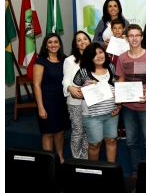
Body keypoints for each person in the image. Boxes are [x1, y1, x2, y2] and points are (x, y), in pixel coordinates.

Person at [115, 24, 146, 178]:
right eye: (131, 35)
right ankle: (135, 171)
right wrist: (118, 99)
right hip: (128, 107)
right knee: (131, 142)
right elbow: (120, 79)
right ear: (127, 38)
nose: (134, 38)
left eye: (137, 35)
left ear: (141, 37)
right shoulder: (122, 58)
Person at [72, 43, 121, 162]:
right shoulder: (83, 72)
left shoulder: (111, 67)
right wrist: (85, 88)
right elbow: (75, 91)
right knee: (95, 144)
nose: (99, 56)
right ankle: (94, 172)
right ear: (89, 57)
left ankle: (111, 170)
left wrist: (119, 105)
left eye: (101, 52)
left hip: (111, 113)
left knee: (111, 140)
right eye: (95, 54)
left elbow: (117, 87)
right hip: (92, 116)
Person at [33, 33, 69, 163]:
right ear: (46, 45)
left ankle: (59, 158)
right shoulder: (41, 61)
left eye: (56, 42)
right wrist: (41, 107)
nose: (53, 45)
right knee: (48, 133)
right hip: (47, 101)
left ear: (60, 44)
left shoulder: (65, 60)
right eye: (50, 42)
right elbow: (36, 86)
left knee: (60, 131)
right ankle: (48, 162)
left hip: (62, 102)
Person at [63, 31, 91, 159]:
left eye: (85, 38)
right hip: (75, 100)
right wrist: (70, 88)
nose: (82, 41)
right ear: (76, 44)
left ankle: (85, 158)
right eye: (79, 40)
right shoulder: (70, 60)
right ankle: (76, 160)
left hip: (92, 101)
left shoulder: (96, 57)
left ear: (89, 41)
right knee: (78, 131)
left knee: (87, 132)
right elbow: (66, 80)